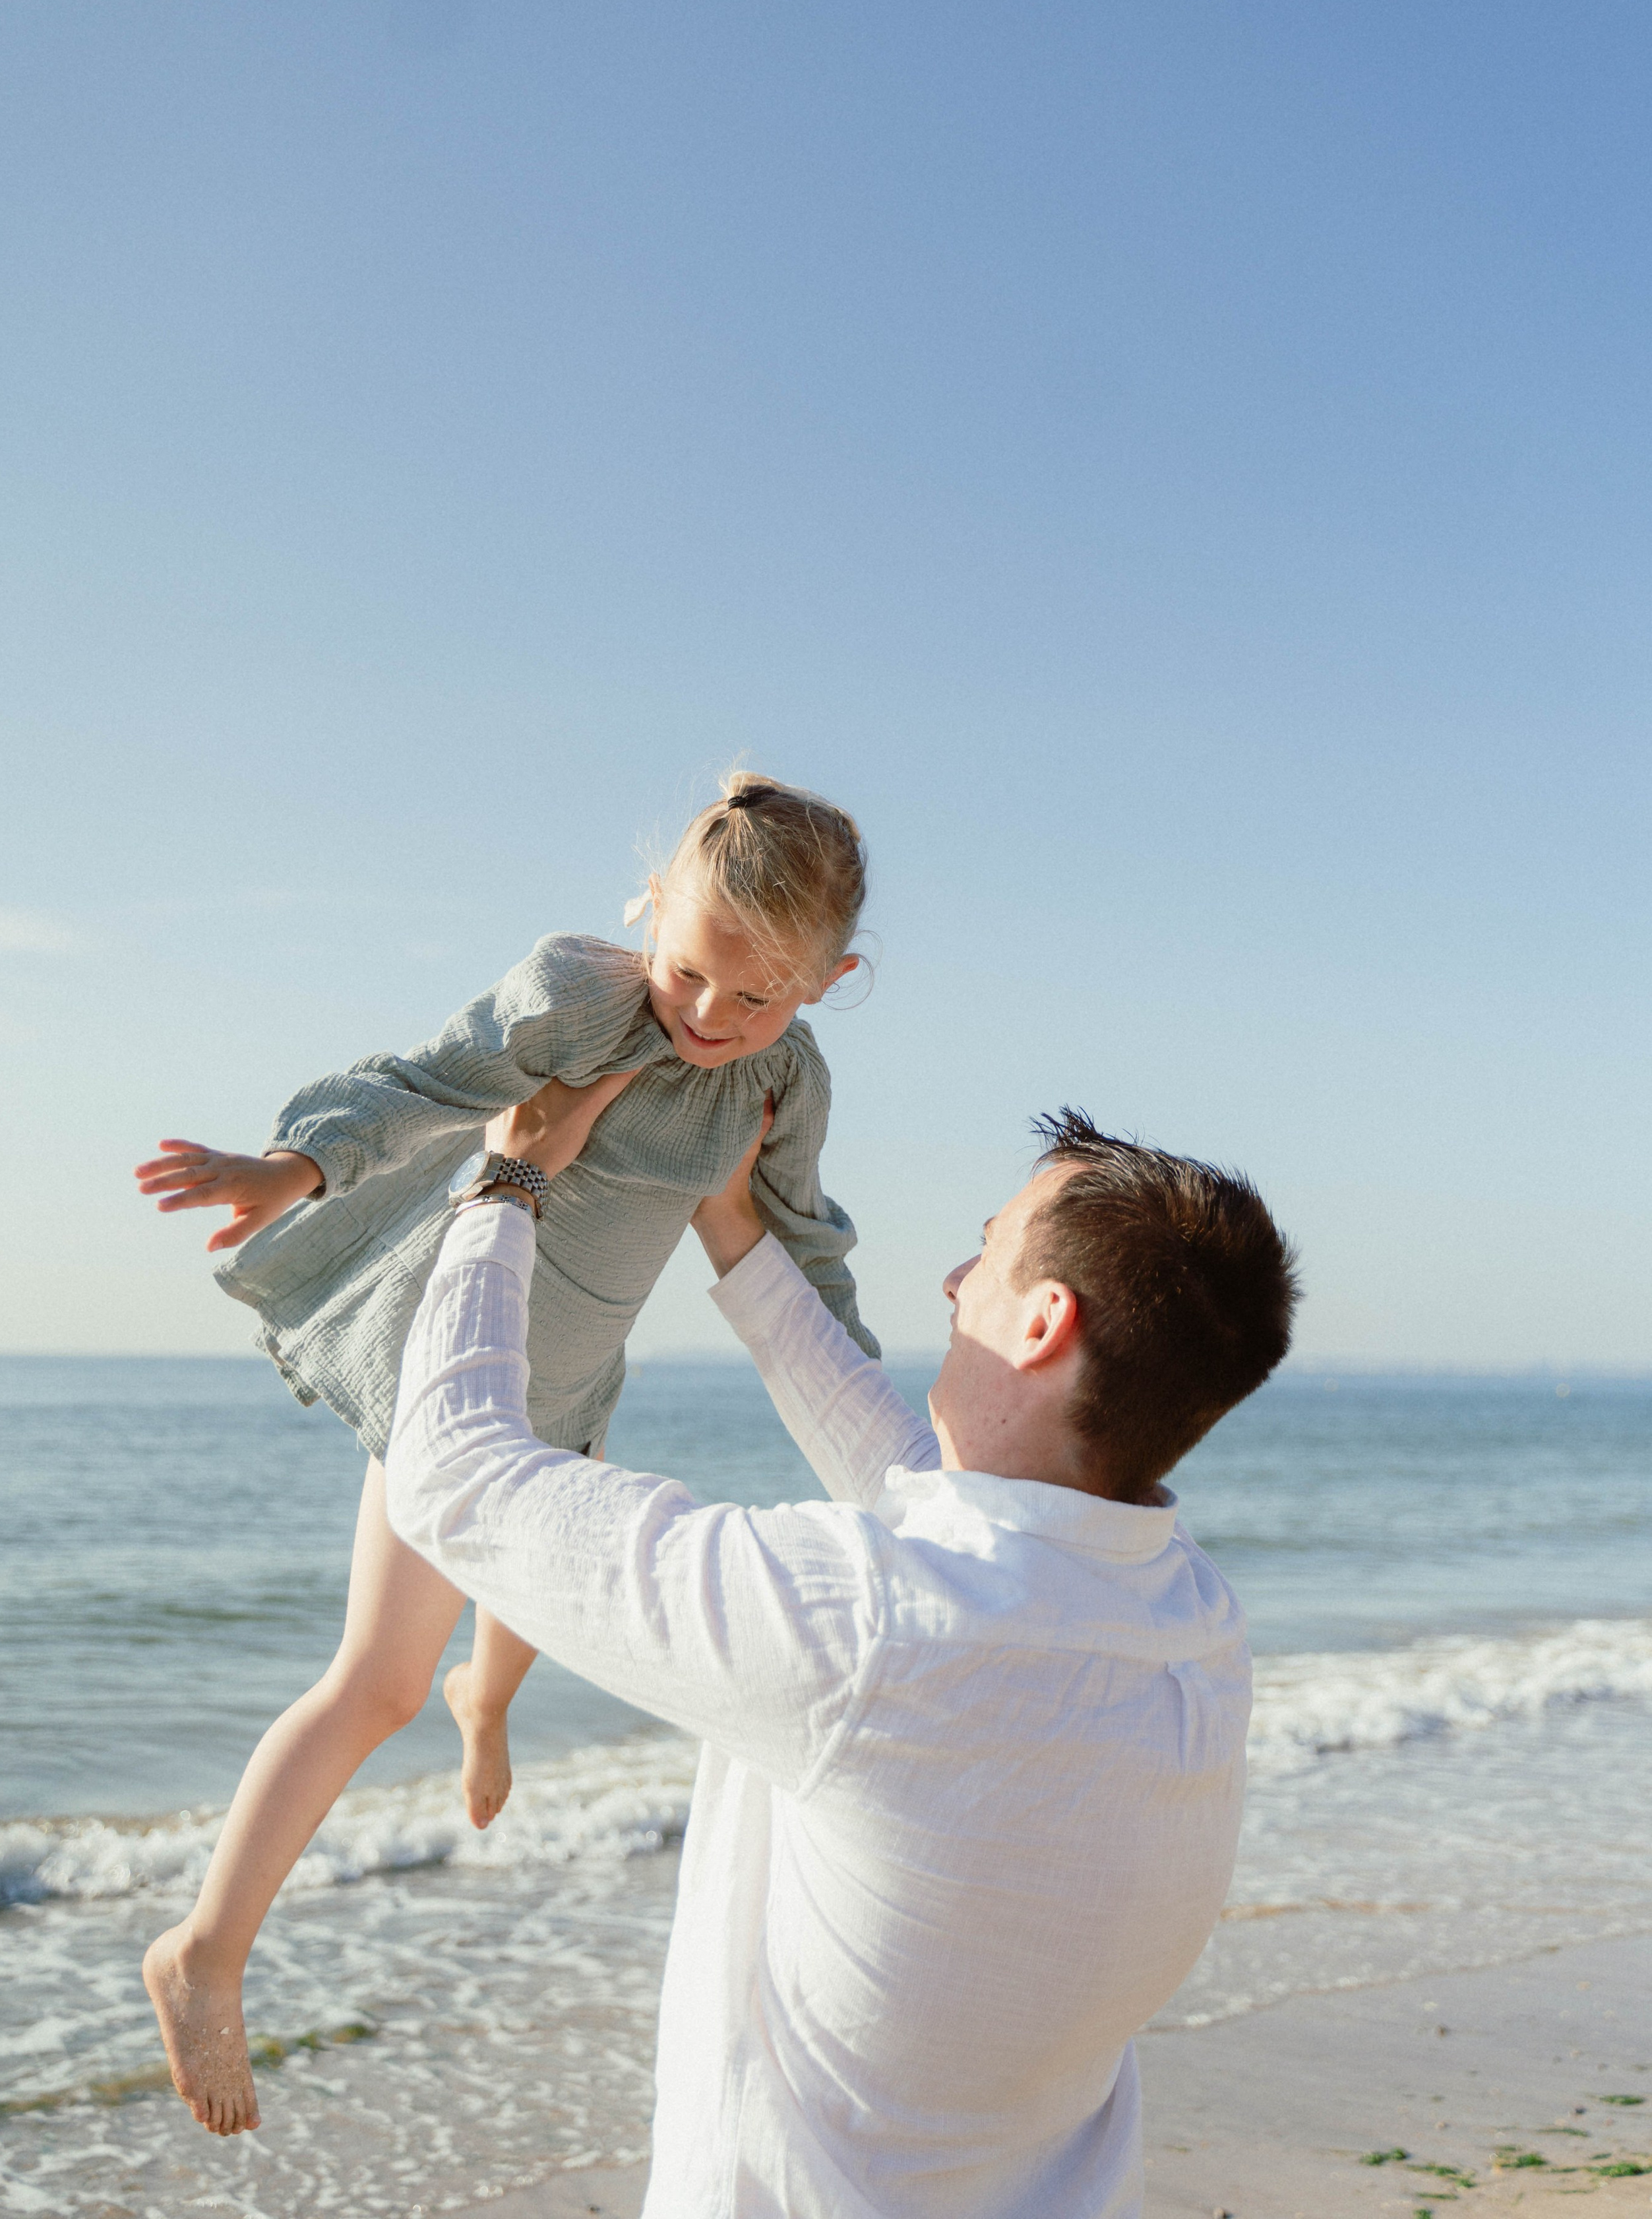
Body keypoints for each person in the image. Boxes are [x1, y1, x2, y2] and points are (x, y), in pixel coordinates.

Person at [387, 1082, 1300, 2218]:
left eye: (989, 1254)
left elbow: (451, 1479)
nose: (958, 1284)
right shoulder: (1191, 1625)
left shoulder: (873, 1629)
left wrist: (508, 1178)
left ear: (1042, 1322)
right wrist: (732, 1227)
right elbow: (920, 1491)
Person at [131, 774, 878, 2138]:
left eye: (758, 997)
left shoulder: (779, 1079)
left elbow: (797, 1239)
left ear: (827, 983)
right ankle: (205, 1948)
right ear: (653, 910)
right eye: (693, 971)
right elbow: (424, 1084)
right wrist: (286, 1170)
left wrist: (877, 1431)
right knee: (375, 1682)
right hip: (458, 1372)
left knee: (531, 1607)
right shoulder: (578, 999)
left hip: (577, 1387)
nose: (711, 1020)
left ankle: (487, 1704)